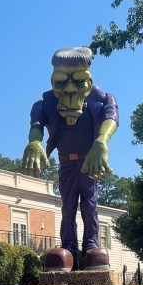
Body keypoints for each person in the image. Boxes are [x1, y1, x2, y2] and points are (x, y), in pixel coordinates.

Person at [22, 47, 118, 265]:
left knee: (90, 204)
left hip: (88, 162)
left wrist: (101, 141)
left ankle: (91, 245)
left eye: (79, 80)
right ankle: (68, 247)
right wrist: (34, 142)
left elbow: (111, 118)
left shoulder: (102, 100)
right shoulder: (45, 104)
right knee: (68, 206)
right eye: (61, 82)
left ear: (89, 81)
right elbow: (36, 125)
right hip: (65, 162)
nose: (70, 89)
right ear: (53, 81)